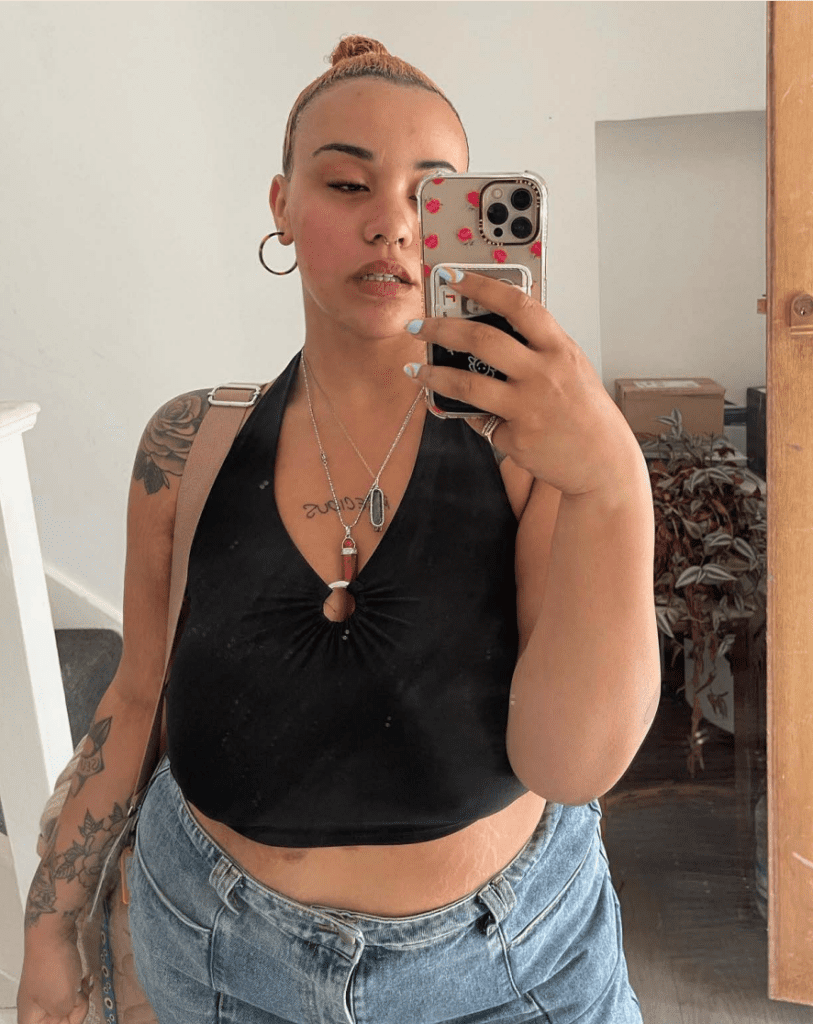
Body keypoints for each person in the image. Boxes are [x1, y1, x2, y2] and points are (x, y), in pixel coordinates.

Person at [17, 35, 659, 1024]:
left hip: (510, 971)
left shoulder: (534, 454)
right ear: (281, 206)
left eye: (431, 196)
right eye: (349, 183)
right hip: (218, 963)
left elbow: (570, 765)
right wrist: (51, 924)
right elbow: (137, 697)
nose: (390, 224)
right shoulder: (189, 445)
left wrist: (615, 482)